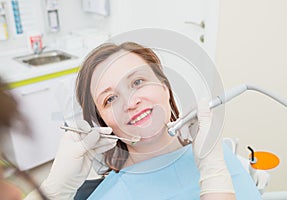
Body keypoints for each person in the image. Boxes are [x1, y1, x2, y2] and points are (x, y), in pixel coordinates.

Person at [26, 42, 261, 199]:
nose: (130, 102)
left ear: (165, 88)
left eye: (137, 82)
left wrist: (212, 167)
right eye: (110, 99)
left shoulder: (216, 157)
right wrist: (54, 190)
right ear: (103, 122)